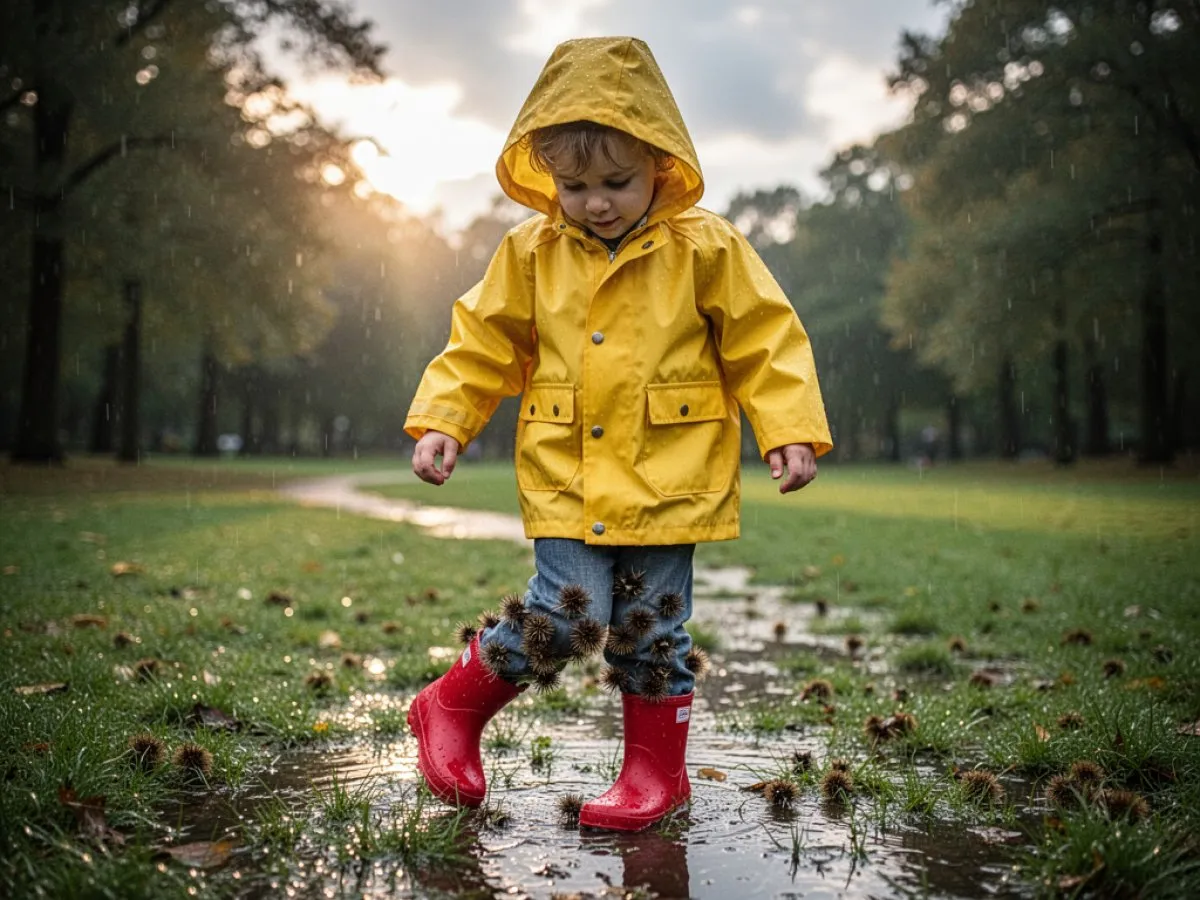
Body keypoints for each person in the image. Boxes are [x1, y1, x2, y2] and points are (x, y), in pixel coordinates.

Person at [404, 36, 832, 831]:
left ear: (660, 165)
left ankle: (655, 775)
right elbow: (482, 342)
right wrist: (445, 419)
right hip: (567, 471)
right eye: (574, 186)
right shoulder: (530, 252)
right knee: (566, 620)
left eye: (616, 182)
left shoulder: (706, 247)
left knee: (653, 630)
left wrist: (788, 428)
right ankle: (452, 705)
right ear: (547, 175)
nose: (595, 202)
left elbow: (764, 338)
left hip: (671, 474)